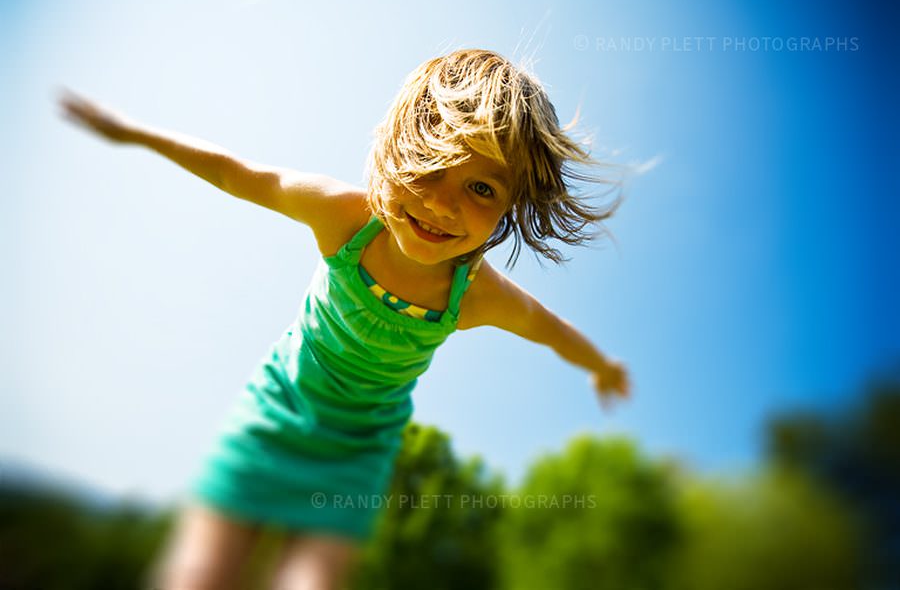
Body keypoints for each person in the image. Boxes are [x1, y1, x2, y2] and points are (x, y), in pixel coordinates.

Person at [58, 48, 632, 590]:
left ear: (510, 207)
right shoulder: (346, 217)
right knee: (197, 576)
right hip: (273, 418)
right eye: (431, 165)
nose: (441, 203)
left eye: (480, 187)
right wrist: (132, 132)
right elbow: (237, 173)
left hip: (357, 459)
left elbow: (549, 328)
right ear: (397, 151)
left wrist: (601, 366)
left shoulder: (476, 294)